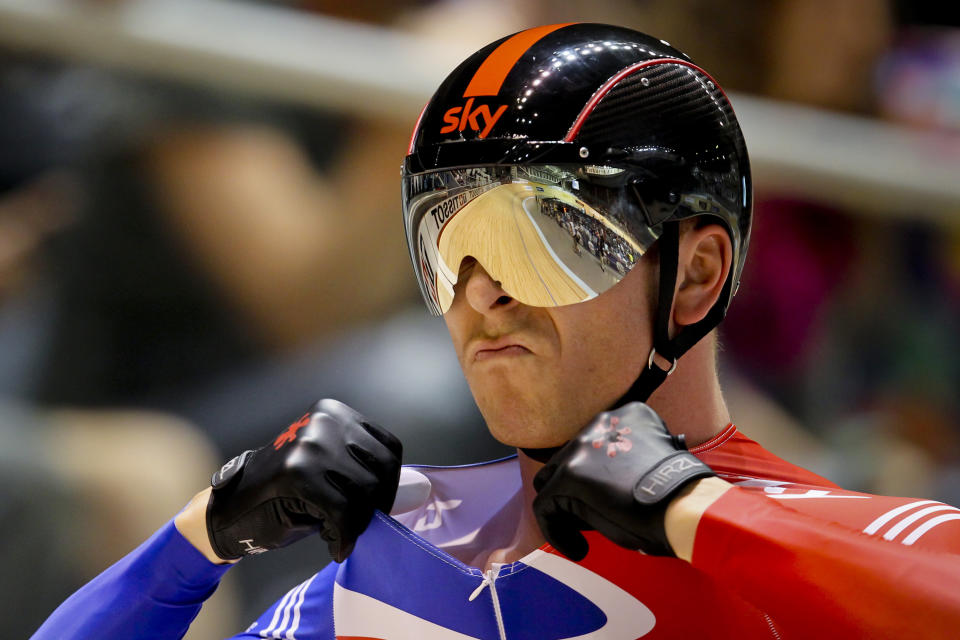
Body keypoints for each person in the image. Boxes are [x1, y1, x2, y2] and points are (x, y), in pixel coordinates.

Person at [33, 23, 960, 639]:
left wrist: (695, 511)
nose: (482, 296)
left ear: (700, 276)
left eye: (542, 238)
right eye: (448, 244)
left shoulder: (829, 535)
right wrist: (201, 537)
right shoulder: (394, 547)